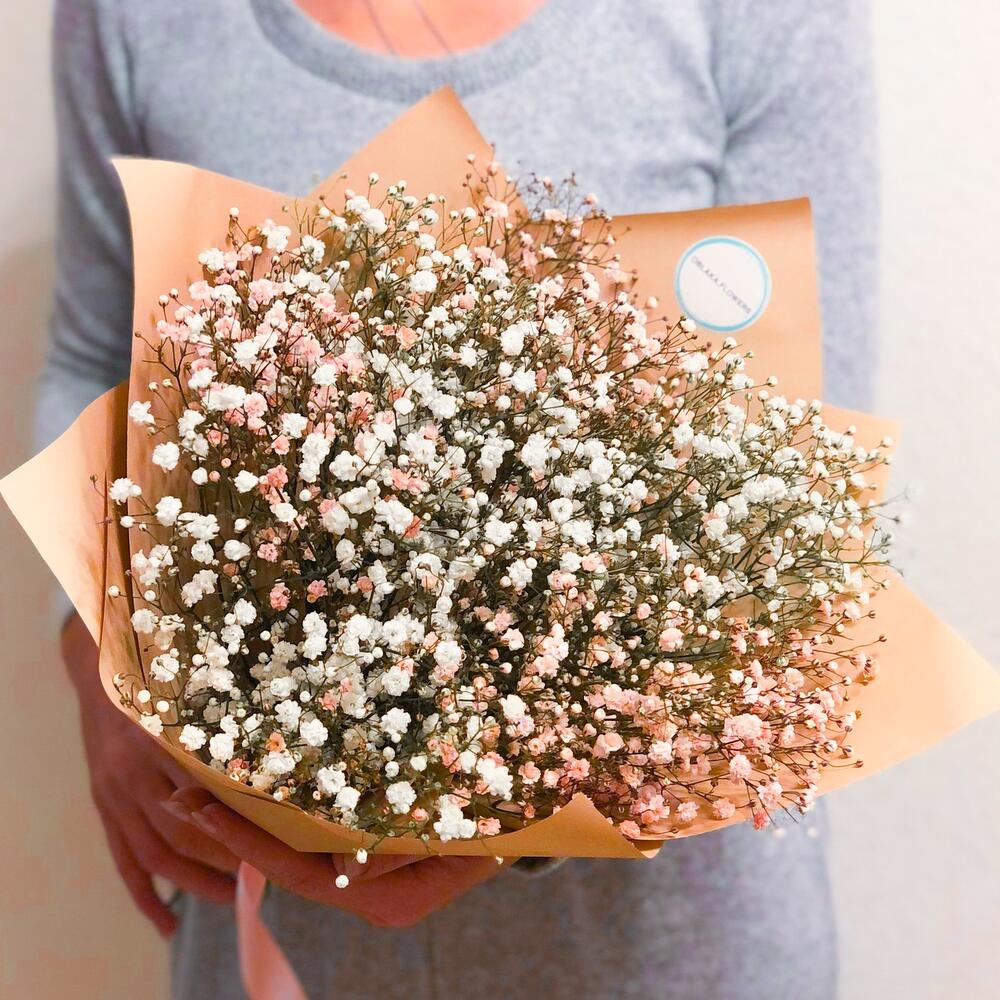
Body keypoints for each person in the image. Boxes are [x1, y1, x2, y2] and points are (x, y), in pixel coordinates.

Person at [44, 1, 878, 997]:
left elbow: (807, 465)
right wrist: (92, 644)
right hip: (283, 931)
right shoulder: (135, 16)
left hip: (669, 949)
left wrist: (519, 814)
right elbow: (94, 355)